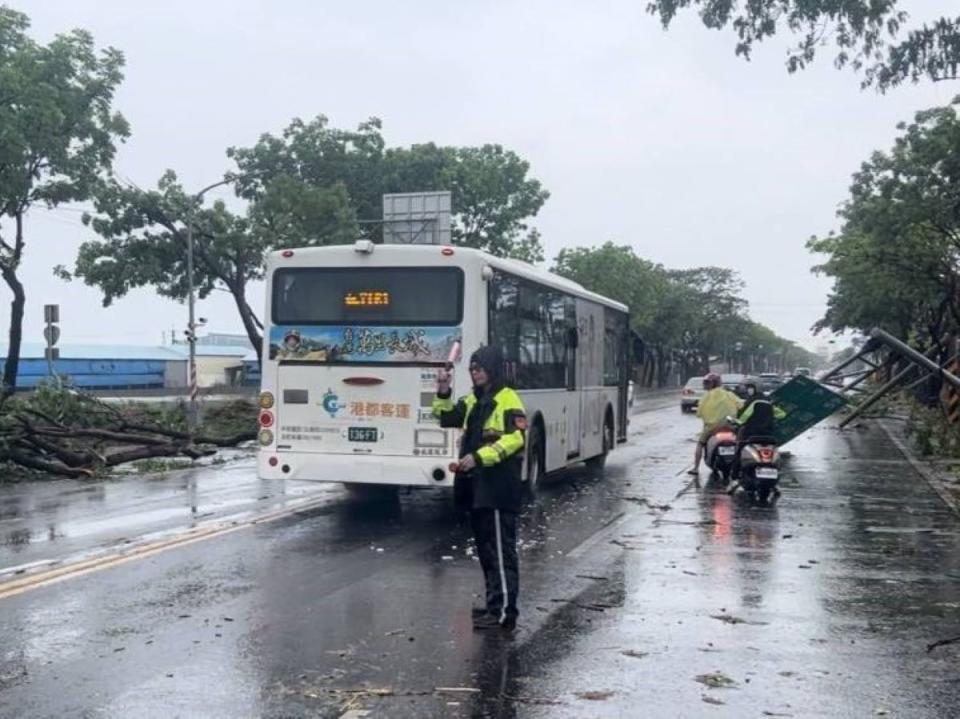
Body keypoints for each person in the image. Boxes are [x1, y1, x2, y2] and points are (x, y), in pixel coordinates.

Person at [433, 345, 526, 632]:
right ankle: (492, 604)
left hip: (498, 488)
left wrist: (480, 457)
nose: (476, 373)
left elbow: (516, 438)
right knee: (486, 551)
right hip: (477, 489)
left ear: (493, 369)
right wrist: (443, 389)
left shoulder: (508, 399)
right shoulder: (473, 400)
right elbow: (445, 417)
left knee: (500, 551)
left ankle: (505, 612)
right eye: (472, 369)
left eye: (481, 368)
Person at [688, 372, 741, 475]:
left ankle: (695, 468)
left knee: (700, 443)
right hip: (730, 425)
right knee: (740, 441)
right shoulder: (729, 394)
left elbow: (699, 413)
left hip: (712, 427)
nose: (706, 385)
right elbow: (740, 405)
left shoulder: (706, 396)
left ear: (712, 384)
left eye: (707, 383)